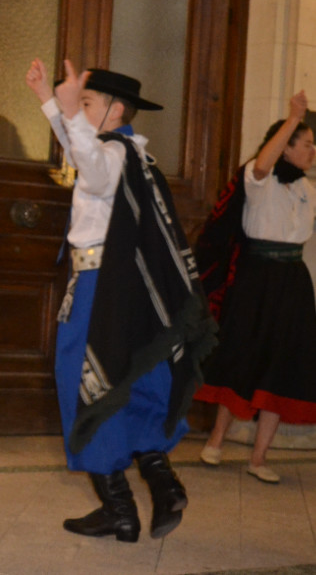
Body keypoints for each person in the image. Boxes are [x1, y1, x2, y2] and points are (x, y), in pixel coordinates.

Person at [25, 59, 216, 542]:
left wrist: (64, 110)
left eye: (86, 103)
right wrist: (51, 102)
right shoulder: (130, 152)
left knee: (89, 385)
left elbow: (89, 164)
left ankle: (120, 507)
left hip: (100, 289)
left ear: (114, 111)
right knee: (135, 381)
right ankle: (162, 483)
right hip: (131, 293)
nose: (78, 110)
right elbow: (80, 149)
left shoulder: (112, 156)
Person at [195, 91, 316, 484]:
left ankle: (259, 458)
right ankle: (216, 440)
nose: (313, 150)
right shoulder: (258, 179)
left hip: (293, 281)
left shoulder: (309, 191)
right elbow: (264, 162)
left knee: (283, 363)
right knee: (241, 352)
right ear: (286, 147)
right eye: (307, 143)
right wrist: (293, 119)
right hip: (255, 276)